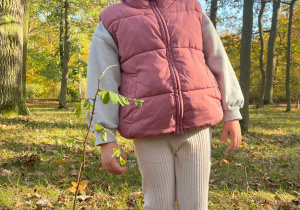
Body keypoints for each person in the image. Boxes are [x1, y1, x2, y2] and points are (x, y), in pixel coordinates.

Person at [86, 0, 244, 209]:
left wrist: (231, 111)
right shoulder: (113, 19)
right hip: (148, 126)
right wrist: (105, 138)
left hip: (197, 119)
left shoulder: (191, 9)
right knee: (158, 203)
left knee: (196, 204)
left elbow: (218, 58)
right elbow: (102, 80)